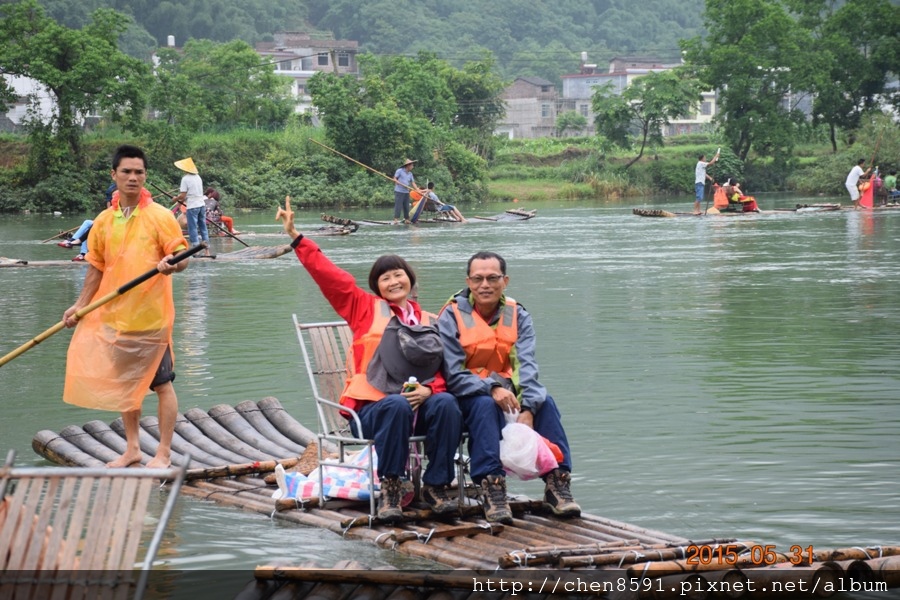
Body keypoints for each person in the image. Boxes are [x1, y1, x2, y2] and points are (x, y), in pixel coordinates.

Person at [275, 196, 463, 522]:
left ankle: (437, 483)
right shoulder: (362, 308)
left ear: (410, 279)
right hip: (371, 411)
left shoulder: (431, 321)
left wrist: (431, 391)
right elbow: (329, 276)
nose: (393, 281)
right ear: (376, 286)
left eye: (398, 275)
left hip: (421, 406)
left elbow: (443, 370)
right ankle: (391, 485)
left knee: (447, 405)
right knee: (396, 405)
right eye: (385, 278)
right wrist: (296, 236)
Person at [62, 144, 190, 469]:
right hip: (117, 318)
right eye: (127, 172)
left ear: (145, 176)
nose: (133, 177)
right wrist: (80, 306)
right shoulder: (105, 221)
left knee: (162, 385)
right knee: (125, 387)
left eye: (139, 172)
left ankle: (162, 452)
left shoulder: (161, 216)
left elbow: (181, 256)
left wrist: (171, 264)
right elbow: (96, 268)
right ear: (114, 175)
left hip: (153, 318)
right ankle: (132, 449)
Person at [436, 251, 581, 524]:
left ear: (505, 281)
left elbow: (526, 365)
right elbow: (452, 373)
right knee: (484, 404)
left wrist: (528, 407)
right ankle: (492, 487)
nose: (485, 285)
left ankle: (557, 483)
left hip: (507, 393)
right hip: (463, 395)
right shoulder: (451, 315)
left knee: (545, 402)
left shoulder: (518, 314)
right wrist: (491, 388)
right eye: (478, 279)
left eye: (493, 278)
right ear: (468, 281)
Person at [173, 157, 210, 254]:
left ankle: (196, 251)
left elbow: (183, 195)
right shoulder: (198, 177)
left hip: (192, 206)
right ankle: (207, 251)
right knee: (203, 227)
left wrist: (176, 198)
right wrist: (179, 199)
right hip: (202, 205)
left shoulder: (185, 179)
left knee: (192, 228)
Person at [392, 158, 422, 224]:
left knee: (406, 206)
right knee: (398, 205)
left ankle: (407, 219)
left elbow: (413, 183)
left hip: (406, 192)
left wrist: (417, 190)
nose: (413, 167)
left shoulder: (410, 174)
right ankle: (396, 219)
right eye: (412, 165)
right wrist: (397, 181)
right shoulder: (399, 171)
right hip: (399, 191)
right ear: (408, 165)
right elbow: (394, 178)